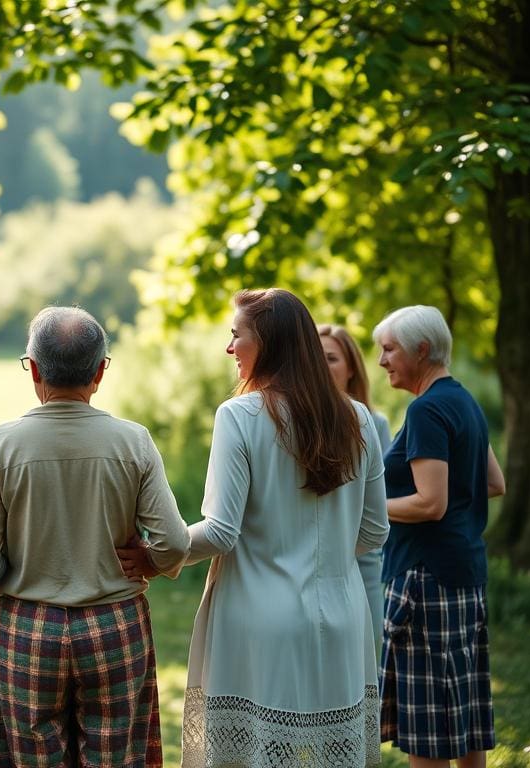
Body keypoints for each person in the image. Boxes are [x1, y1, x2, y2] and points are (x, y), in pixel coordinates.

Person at [0, 306, 190, 768]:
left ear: (35, 370)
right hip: (115, 625)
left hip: (27, 629)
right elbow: (176, 544)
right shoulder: (133, 441)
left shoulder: (1, 444)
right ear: (100, 371)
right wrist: (148, 561)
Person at [179, 289, 388, 768]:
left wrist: (158, 554)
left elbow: (220, 532)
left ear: (268, 342)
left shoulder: (238, 416)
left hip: (256, 621)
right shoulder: (358, 418)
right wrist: (328, 554)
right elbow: (375, 531)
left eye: (236, 335)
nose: (229, 348)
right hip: (342, 618)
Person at [373, 305, 505, 768]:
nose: (382, 360)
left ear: (422, 349)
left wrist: (361, 510)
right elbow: (494, 482)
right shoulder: (464, 401)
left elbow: (431, 503)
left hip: (425, 581)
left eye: (389, 349)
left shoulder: (426, 409)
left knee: (427, 732)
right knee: (464, 718)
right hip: (464, 573)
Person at [318, 323, 393, 651]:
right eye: (315, 357)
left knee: (364, 661)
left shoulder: (374, 424)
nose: (322, 366)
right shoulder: (295, 423)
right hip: (303, 564)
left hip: (361, 561)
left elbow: (382, 502)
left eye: (331, 358)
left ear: (351, 369)